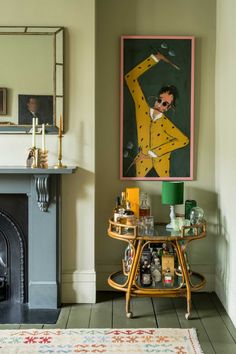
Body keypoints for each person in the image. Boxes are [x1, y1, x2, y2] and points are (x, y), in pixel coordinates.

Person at [125, 52, 189, 178]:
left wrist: (155, 152)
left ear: (168, 108)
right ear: (156, 99)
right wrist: (154, 59)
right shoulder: (141, 109)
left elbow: (184, 140)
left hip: (162, 169)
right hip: (141, 166)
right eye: (159, 100)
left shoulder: (166, 123)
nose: (160, 105)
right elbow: (130, 78)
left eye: (165, 104)